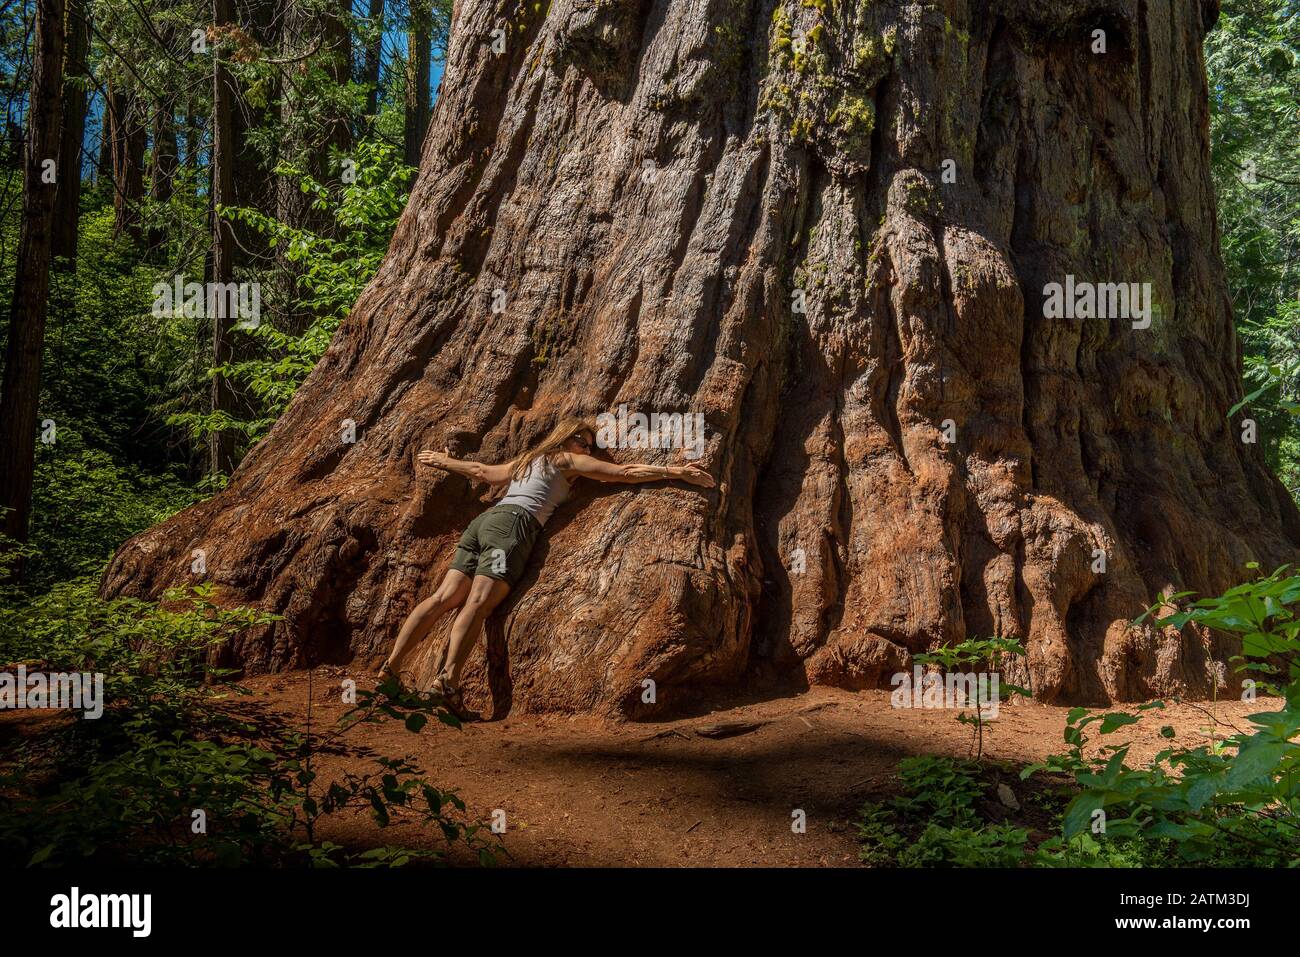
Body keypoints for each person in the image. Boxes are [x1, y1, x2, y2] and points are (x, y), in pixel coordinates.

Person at [376, 416, 715, 716]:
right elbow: (624, 473)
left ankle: (390, 670)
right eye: (584, 443)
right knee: (478, 604)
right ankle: (447, 682)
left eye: (592, 445)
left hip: (485, 522)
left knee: (443, 598)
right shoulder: (567, 459)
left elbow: (482, 472)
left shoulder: (528, 460)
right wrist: (675, 471)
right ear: (568, 439)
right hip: (512, 526)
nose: (589, 450)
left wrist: (444, 462)